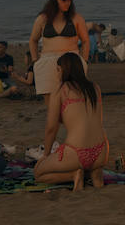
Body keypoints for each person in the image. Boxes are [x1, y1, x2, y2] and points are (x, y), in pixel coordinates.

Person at [34, 53, 109, 190]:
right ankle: (94, 172)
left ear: (63, 70)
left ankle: (73, 175)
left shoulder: (61, 90)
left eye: (57, 70)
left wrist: (46, 155)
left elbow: (51, 128)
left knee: (38, 172)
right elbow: (98, 120)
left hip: (76, 152)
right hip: (101, 151)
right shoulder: (95, 88)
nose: (56, 74)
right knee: (91, 166)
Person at [29, 0, 89, 106]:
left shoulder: (76, 18)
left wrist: (84, 60)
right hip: (47, 61)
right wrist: (35, 60)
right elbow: (33, 40)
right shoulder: (42, 19)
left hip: (71, 59)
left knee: (73, 98)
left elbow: (85, 41)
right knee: (50, 102)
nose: (67, 3)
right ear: (54, 0)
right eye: (64, 0)